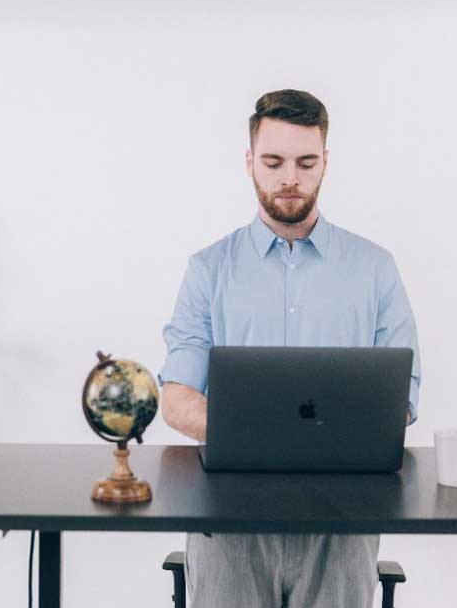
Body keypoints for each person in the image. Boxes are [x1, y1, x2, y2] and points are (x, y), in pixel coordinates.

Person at [157, 88, 422, 608]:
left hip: (343, 524)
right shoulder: (208, 268)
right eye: (274, 161)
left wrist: (268, 432)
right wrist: (277, 435)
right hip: (227, 520)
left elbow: (402, 400)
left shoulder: (375, 268)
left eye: (305, 162)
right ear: (250, 161)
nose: (289, 178)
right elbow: (177, 396)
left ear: (326, 162)